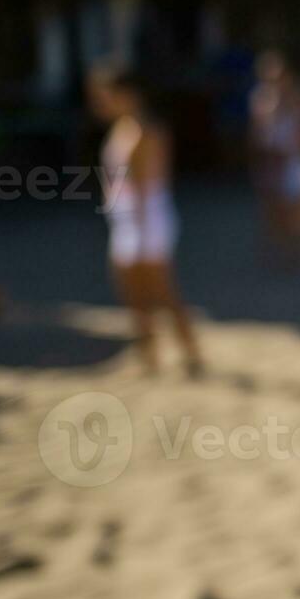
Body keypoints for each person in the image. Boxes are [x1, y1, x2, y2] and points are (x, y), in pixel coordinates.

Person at [89, 65, 204, 377]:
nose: (101, 102)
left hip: (145, 217)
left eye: (106, 95)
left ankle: (190, 353)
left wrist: (137, 230)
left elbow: (142, 185)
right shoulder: (122, 128)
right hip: (129, 216)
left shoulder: (145, 130)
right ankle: (149, 356)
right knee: (132, 291)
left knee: (161, 291)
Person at [248, 50, 300, 260]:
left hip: (294, 163)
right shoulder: (260, 100)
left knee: (294, 209)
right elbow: (255, 134)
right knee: (270, 208)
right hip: (270, 162)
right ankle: (273, 249)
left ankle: (293, 252)